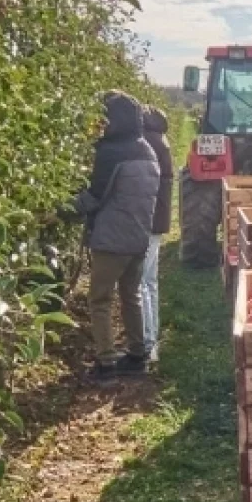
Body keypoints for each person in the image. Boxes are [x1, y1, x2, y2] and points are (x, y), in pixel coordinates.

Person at [72, 91, 161, 376]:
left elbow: (95, 195)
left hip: (111, 240)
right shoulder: (148, 150)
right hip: (139, 237)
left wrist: (63, 209)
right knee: (130, 294)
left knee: (99, 299)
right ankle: (137, 356)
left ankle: (106, 361)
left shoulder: (110, 152)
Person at [140, 105, 174, 362]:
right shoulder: (160, 140)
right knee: (150, 281)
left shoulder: (145, 143)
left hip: (147, 219)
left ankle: (147, 344)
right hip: (158, 218)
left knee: (140, 281)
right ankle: (151, 340)